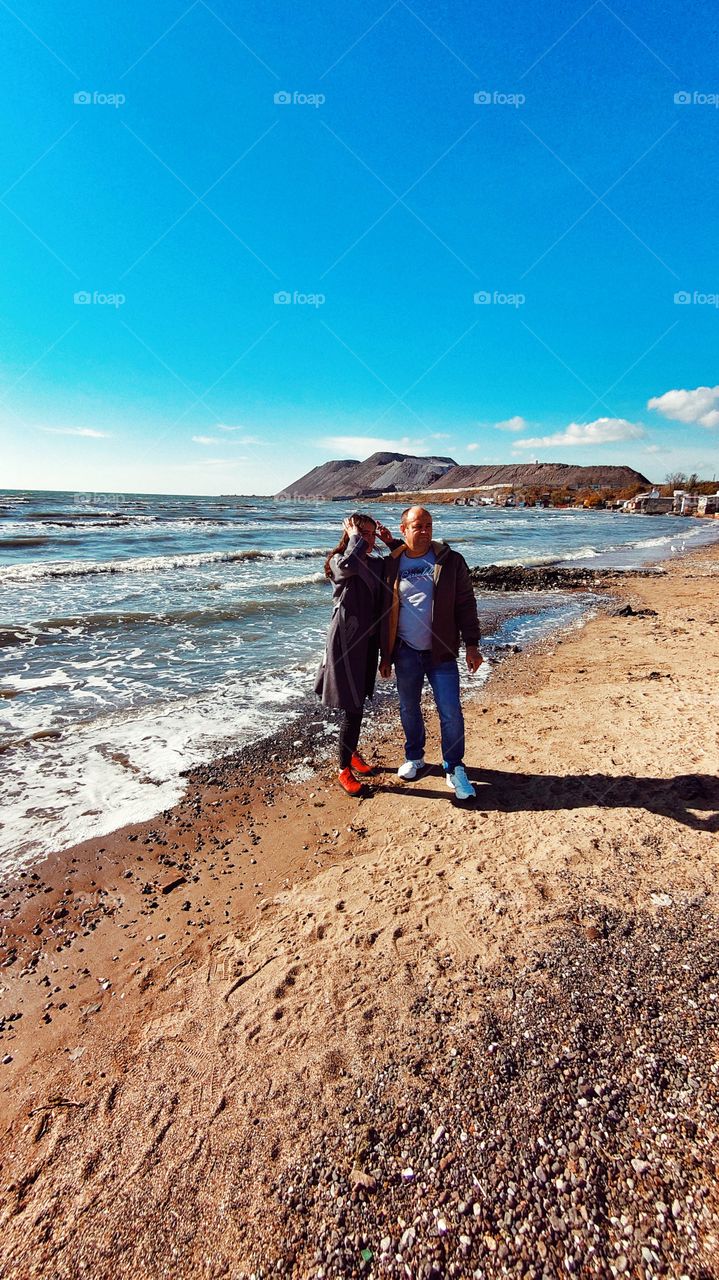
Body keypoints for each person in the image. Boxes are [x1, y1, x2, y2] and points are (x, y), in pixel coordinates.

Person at [379, 505, 483, 802]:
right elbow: (383, 612)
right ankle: (415, 757)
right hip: (406, 652)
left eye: (428, 525)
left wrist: (472, 645)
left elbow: (466, 603)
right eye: (417, 526)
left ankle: (454, 766)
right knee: (408, 708)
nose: (424, 530)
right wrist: (385, 655)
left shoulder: (450, 561)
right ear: (404, 530)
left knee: (451, 711)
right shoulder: (391, 563)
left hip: (442, 652)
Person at [315, 512, 396, 796]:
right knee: (353, 705)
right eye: (363, 534)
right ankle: (343, 769)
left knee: (359, 700)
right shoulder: (339, 561)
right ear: (350, 534)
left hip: (368, 641)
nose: (368, 539)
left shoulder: (374, 563)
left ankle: (350, 755)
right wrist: (354, 540)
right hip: (346, 640)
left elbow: (397, 563)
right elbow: (349, 564)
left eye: (372, 534)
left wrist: (389, 541)